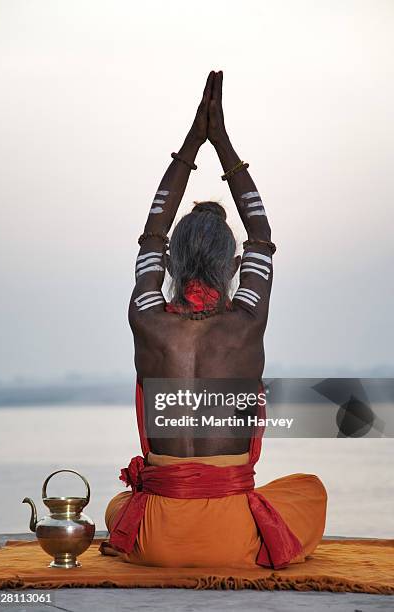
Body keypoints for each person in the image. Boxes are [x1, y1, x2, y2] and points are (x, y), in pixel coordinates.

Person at [100, 71, 327, 568]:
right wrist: (221, 141)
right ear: (235, 267)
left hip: (158, 538)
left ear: (171, 265)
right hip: (231, 538)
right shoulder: (246, 319)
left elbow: (151, 232)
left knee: (118, 506)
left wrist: (191, 143)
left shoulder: (147, 316)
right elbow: (261, 231)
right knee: (309, 490)